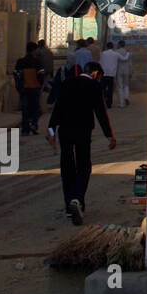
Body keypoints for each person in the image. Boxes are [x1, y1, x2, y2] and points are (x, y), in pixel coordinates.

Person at [46, 62, 115, 225]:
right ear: (95, 73)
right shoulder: (94, 87)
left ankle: (69, 205)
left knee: (67, 166)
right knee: (84, 166)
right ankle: (77, 199)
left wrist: (51, 130)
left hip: (64, 131)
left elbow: (57, 108)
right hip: (83, 131)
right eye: (100, 77)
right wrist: (109, 135)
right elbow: (101, 113)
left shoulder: (67, 83)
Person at [13, 43, 43, 135]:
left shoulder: (20, 61)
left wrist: (19, 87)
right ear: (34, 50)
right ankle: (33, 125)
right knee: (36, 108)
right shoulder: (37, 62)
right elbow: (41, 76)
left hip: (24, 89)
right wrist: (39, 86)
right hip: (34, 89)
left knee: (25, 109)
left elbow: (16, 75)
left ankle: (25, 129)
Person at [98, 42, 120, 109]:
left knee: (103, 88)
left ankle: (104, 100)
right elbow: (124, 58)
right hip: (111, 73)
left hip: (104, 73)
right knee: (110, 89)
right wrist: (127, 53)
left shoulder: (103, 53)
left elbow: (100, 62)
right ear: (112, 47)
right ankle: (109, 103)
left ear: (107, 47)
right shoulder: (116, 54)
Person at [114, 41, 132, 108]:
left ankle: (121, 103)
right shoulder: (128, 52)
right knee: (126, 85)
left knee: (120, 86)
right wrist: (131, 71)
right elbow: (130, 63)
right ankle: (126, 97)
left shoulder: (116, 52)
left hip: (119, 70)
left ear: (119, 45)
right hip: (127, 69)